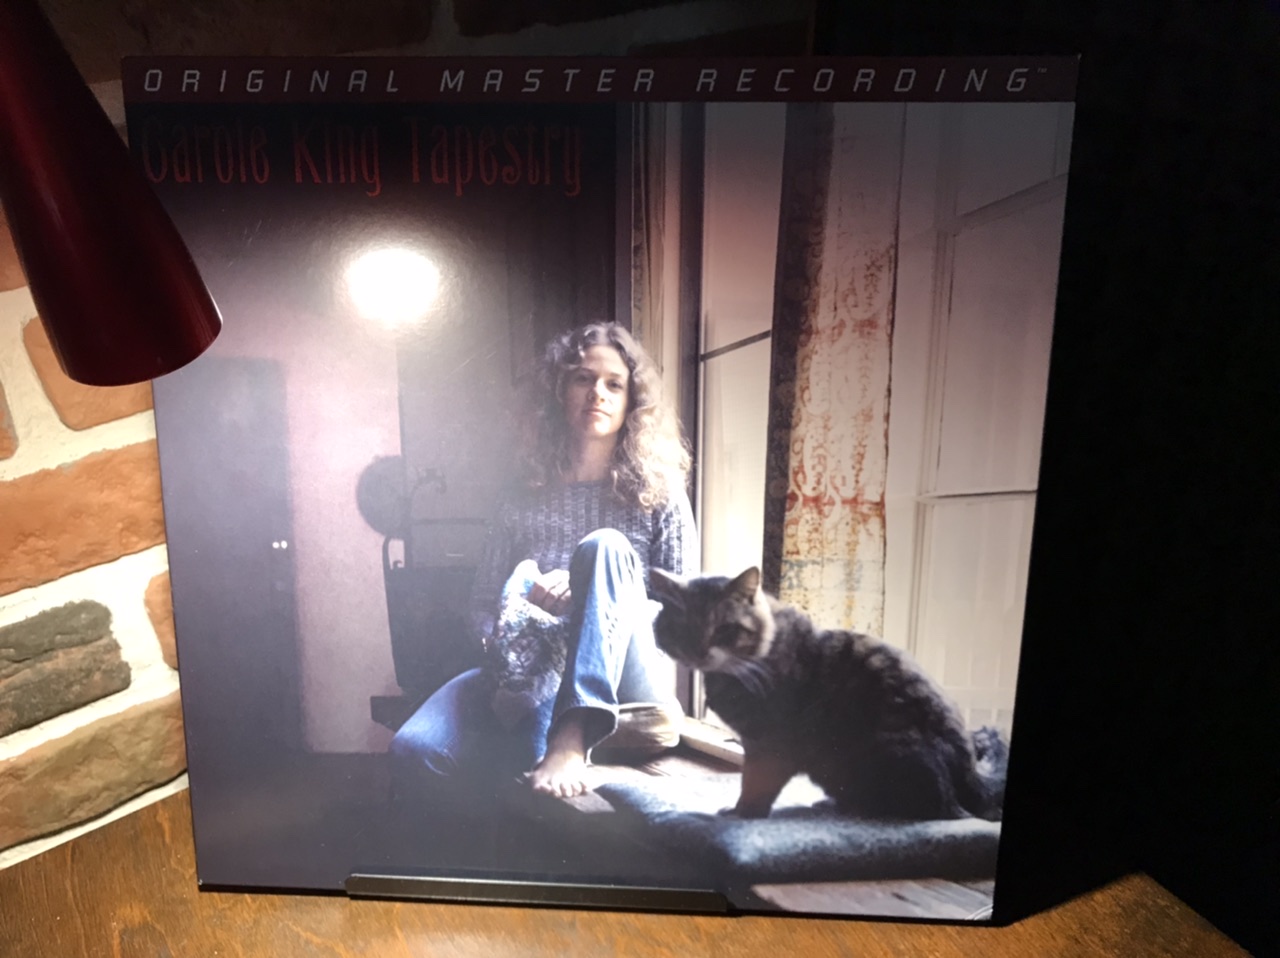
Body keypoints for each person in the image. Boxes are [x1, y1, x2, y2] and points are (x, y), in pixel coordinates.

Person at [390, 322, 698, 800]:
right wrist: (515, 621)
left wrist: (595, 599)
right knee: (414, 748)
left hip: (627, 679)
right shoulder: (520, 493)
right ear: (559, 391)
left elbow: (684, 618)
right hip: (530, 668)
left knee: (603, 547)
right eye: (582, 378)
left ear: (632, 401)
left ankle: (573, 733)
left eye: (614, 384)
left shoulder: (660, 493)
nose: (597, 393)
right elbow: (481, 607)